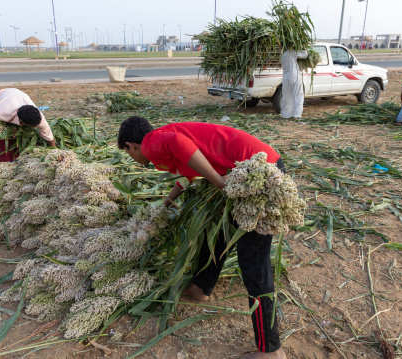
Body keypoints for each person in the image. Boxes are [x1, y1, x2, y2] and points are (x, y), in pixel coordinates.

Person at [117, 116, 287, 359]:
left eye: (129, 154)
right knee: (217, 234)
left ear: (130, 146)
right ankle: (201, 286)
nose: (134, 157)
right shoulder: (160, 139)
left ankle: (272, 351)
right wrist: (167, 203)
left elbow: (179, 144)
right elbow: (188, 170)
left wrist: (218, 182)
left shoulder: (149, 143)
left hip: (259, 173)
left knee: (254, 263)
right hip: (246, 170)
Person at [0, 88, 56, 162]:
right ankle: (5, 162)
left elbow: (47, 132)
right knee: (4, 138)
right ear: (22, 122)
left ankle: (17, 159)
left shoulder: (39, 117)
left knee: (18, 136)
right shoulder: (0, 113)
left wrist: (54, 149)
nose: (35, 127)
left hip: (17, 96)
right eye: (32, 126)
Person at [280, 50, 305, 119]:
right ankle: (297, 115)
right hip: (294, 76)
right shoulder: (292, 52)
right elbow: (305, 55)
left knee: (287, 96)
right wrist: (303, 48)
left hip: (286, 77)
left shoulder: (282, 56)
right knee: (299, 95)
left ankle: (285, 115)